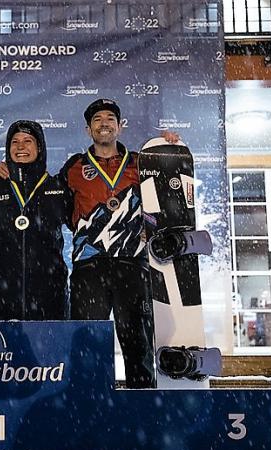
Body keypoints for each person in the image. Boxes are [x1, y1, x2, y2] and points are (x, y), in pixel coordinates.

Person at [60, 98, 178, 389]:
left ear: (120, 126)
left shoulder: (141, 162)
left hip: (132, 265)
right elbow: (60, 209)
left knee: (138, 345)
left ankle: (143, 414)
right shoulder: (74, 166)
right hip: (89, 268)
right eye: (97, 119)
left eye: (110, 118)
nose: (104, 123)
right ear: (88, 130)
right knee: (88, 346)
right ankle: (89, 412)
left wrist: (172, 148)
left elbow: (169, 195)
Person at [0, 120, 71, 320]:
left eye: (28, 141)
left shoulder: (58, 188)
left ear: (39, 148)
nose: (21, 147)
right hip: (2, 297)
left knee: (50, 352)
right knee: (2, 351)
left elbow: (85, 221)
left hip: (50, 297)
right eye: (15, 142)